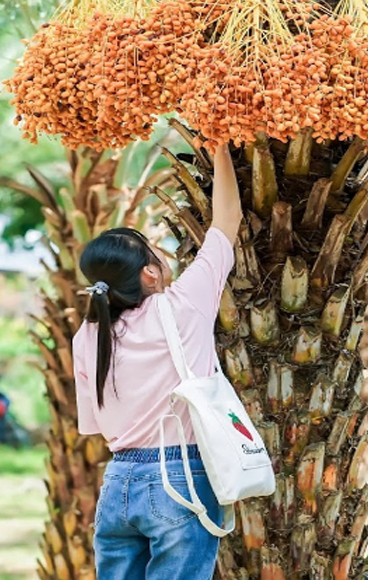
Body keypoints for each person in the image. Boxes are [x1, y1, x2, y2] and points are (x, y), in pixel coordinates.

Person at [73, 145, 241, 580]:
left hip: (118, 484)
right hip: (181, 479)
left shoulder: (88, 335)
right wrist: (221, 145)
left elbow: (94, 425)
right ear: (150, 272)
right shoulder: (183, 306)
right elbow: (228, 223)